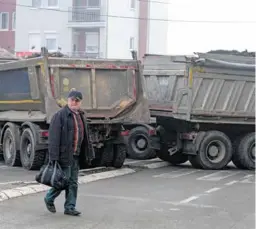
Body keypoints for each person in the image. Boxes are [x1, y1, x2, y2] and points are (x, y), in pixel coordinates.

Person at [44, 90, 95, 216]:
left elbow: (85, 137)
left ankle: (70, 207)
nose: (74, 102)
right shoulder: (60, 115)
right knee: (63, 181)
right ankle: (49, 198)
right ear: (68, 100)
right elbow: (53, 138)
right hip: (64, 155)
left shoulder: (81, 115)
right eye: (72, 100)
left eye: (77, 100)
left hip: (76, 155)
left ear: (80, 102)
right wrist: (54, 157)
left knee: (73, 182)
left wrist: (88, 153)